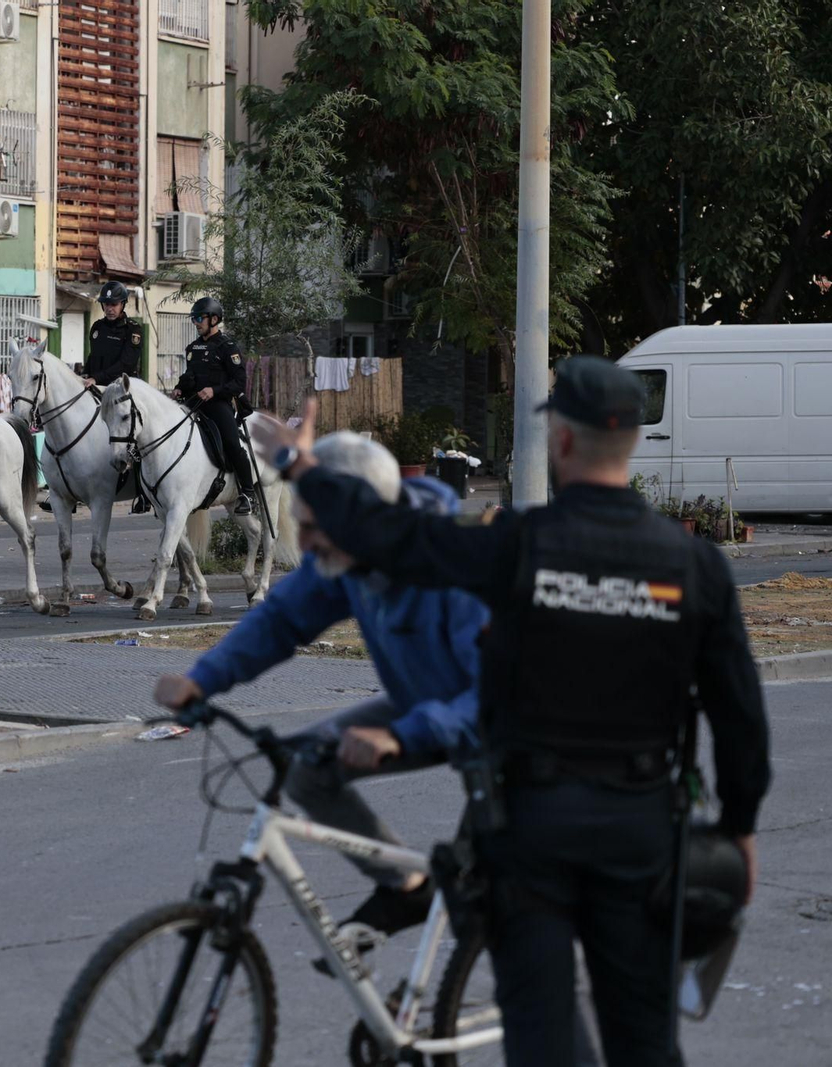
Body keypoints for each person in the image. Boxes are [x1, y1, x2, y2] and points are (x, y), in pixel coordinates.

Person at [258, 357, 771, 1067]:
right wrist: (741, 826)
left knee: (543, 1035)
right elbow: (741, 717)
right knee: (644, 1040)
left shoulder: (515, 545)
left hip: (532, 833)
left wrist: (299, 466)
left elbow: (392, 536)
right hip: (643, 832)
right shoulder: (695, 567)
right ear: (629, 445)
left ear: (561, 440)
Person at [155, 431, 485, 947]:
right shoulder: (345, 555)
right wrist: (203, 680)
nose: (304, 544)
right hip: (422, 709)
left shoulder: (453, 561)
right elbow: (281, 620)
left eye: (314, 527)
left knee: (490, 907)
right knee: (308, 768)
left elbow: (497, 697)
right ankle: (408, 887)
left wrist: (404, 736)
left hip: (507, 733)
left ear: (361, 515)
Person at [172, 296, 255, 515]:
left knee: (232, 443)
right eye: (194, 319)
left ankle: (247, 492)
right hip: (194, 403)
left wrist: (214, 391)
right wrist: (180, 386)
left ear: (214, 319)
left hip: (218, 404)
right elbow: (191, 375)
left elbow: (239, 381)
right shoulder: (193, 348)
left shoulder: (227, 347)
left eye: (200, 318)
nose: (196, 323)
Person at [84, 281, 142, 389]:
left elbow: (126, 364)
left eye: (114, 304)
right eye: (106, 304)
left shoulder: (132, 329)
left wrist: (97, 378)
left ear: (122, 304)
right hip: (97, 386)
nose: (110, 309)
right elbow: (93, 356)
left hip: (120, 389)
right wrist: (85, 374)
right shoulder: (97, 327)